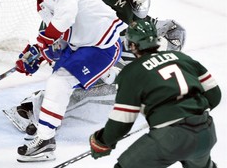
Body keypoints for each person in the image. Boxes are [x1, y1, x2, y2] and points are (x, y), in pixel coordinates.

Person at [3, 0, 186, 134]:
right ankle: (32, 110)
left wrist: (155, 25)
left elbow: (127, 21)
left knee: (115, 73)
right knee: (93, 81)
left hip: (87, 37)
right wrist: (45, 47)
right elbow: (77, 23)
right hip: (71, 39)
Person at [15, 0, 128, 162]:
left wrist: (43, 42)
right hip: (86, 44)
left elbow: (67, 15)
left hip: (101, 46)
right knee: (58, 77)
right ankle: (119, 79)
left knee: (60, 81)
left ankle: (45, 140)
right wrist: (40, 54)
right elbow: (63, 37)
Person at [89, 19, 221, 168]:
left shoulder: (131, 72)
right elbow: (215, 95)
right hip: (206, 132)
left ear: (132, 45)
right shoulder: (183, 58)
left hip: (171, 138)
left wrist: (102, 141)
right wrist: (192, 113)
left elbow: (122, 122)